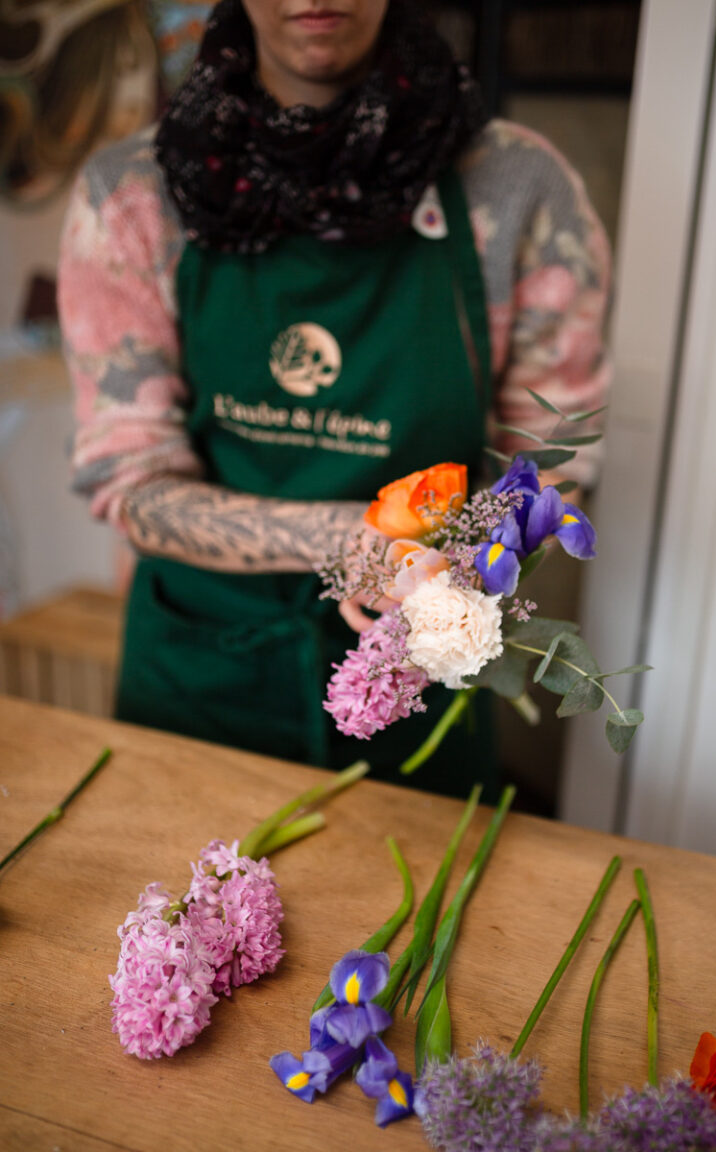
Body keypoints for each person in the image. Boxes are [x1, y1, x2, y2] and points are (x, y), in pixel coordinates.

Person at [58, 0, 610, 798]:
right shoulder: (131, 196)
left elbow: (555, 461)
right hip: (200, 674)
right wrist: (359, 542)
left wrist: (448, 578)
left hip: (419, 684)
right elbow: (128, 475)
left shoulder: (516, 186)